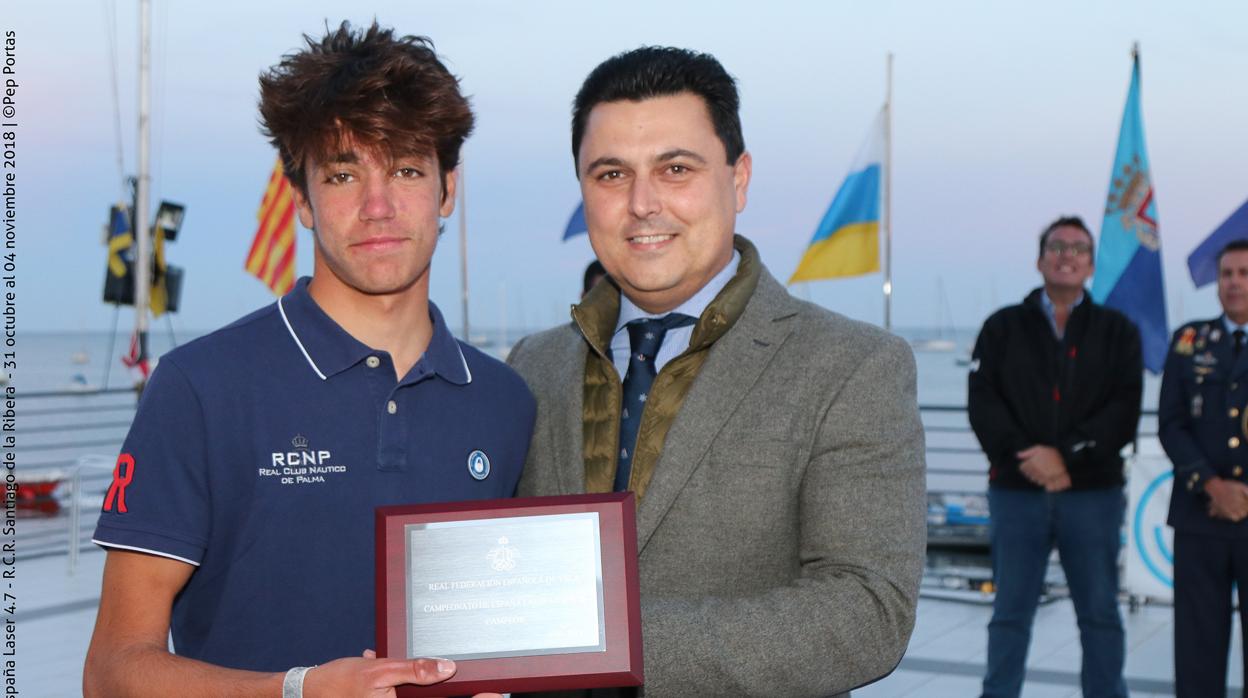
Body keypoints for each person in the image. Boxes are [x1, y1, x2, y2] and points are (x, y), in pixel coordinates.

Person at [83, 22, 533, 697]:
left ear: (447, 190)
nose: (378, 207)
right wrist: (296, 691)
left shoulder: (506, 401)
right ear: (301, 198)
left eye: (407, 169)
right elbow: (112, 671)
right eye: (345, 174)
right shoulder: (200, 388)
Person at [508, 46, 926, 697]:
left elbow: (868, 612)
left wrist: (617, 641)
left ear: (739, 179)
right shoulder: (532, 366)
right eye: (611, 174)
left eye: (676, 168)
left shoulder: (853, 367)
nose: (643, 203)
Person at [967, 216, 1142, 698]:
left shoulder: (1118, 331)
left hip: (1093, 496)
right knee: (1009, 616)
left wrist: (1064, 458)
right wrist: (1029, 456)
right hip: (1016, 494)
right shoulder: (1002, 327)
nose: (1067, 254)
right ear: (1040, 258)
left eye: (1078, 248)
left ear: (1089, 263)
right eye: (1057, 246)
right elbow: (983, 401)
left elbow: (1124, 409)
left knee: (1101, 616)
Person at [1158, 238, 1248, 698]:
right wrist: (1214, 486)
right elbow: (1171, 424)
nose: (1234, 283)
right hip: (1201, 518)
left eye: (1244, 273)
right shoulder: (1189, 342)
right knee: (1197, 653)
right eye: (1228, 273)